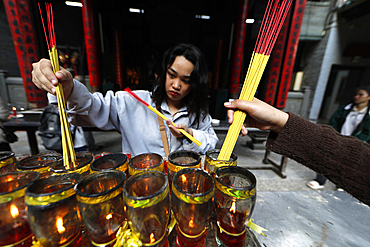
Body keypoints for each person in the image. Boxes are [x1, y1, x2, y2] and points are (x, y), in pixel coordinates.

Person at [31, 43, 218, 156]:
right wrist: (70, 89)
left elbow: (211, 142)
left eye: (185, 81)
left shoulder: (198, 114)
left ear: (194, 84)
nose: (176, 85)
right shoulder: (133, 101)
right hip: (141, 193)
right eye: (172, 75)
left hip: (180, 192)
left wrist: (191, 135)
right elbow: (92, 106)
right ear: (162, 73)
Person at [223, 98, 370, 206]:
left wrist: (279, 121)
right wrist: (279, 121)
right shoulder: (346, 108)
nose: (357, 97)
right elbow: (361, 162)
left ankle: (323, 181)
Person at [307, 86, 370, 190]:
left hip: (355, 143)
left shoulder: (368, 115)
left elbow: (367, 132)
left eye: (361, 94)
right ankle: (320, 180)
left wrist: (355, 142)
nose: (357, 97)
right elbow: (334, 121)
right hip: (339, 138)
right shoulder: (345, 109)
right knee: (326, 158)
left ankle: (341, 184)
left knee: (348, 163)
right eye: (356, 94)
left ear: (369, 97)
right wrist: (334, 135)